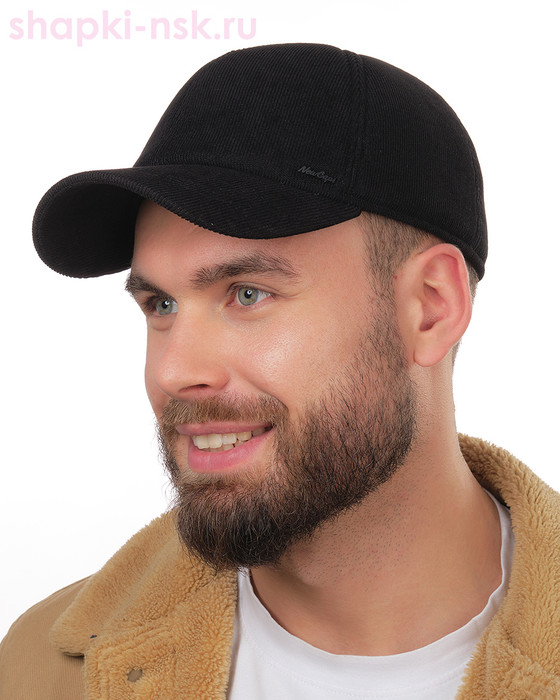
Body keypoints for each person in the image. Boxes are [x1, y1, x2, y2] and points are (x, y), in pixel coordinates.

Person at [1, 42, 559, 699]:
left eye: (247, 294)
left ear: (430, 308)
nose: (174, 372)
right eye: (161, 305)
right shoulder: (40, 670)